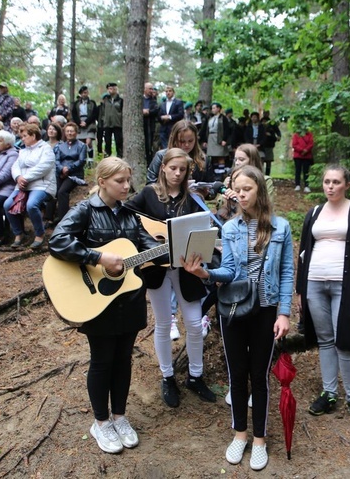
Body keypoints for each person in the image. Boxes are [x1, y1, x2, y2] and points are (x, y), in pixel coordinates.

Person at [49, 156, 167, 454]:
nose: (127, 186)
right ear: (102, 182)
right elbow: (58, 241)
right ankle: (101, 422)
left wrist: (176, 249)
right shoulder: (84, 211)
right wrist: (98, 258)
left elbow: (148, 247)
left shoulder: (130, 215)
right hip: (96, 302)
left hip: (128, 299)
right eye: (120, 181)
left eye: (129, 180)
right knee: (102, 361)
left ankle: (120, 416)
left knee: (124, 360)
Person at [181, 165, 292, 471]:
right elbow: (228, 271)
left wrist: (284, 312)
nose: (241, 195)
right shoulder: (229, 228)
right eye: (237, 189)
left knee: (259, 375)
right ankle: (239, 435)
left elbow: (286, 272)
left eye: (247, 189)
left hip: (266, 308)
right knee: (237, 373)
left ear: (260, 191)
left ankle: (259, 440)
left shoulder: (280, 227)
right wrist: (205, 273)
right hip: (233, 308)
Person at [126, 148, 216, 408]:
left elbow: (204, 228)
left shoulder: (192, 199)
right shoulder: (147, 194)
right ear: (163, 167)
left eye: (183, 170)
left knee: (194, 322)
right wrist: (146, 241)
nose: (177, 174)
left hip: (187, 268)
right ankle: (167, 376)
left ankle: (196, 376)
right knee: (164, 322)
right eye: (173, 168)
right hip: (156, 267)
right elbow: (126, 216)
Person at [296, 165, 350, 427]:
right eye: (327, 181)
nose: (330, 186)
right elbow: (303, 252)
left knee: (346, 342)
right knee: (325, 340)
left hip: (345, 286)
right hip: (314, 284)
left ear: (347, 184)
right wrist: (300, 289)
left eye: (336, 182)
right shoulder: (315, 212)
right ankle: (329, 394)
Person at [3, 123, 56, 250]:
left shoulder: (46, 148)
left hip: (42, 185)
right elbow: (15, 166)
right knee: (7, 205)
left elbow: (44, 167)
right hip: (22, 185)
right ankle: (19, 234)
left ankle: (39, 234)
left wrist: (25, 178)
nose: (22, 139)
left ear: (33, 135)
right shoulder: (23, 151)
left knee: (31, 204)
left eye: (25, 136)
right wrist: (18, 177)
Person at [44, 122, 86, 225]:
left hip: (74, 174)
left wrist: (69, 169)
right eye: (67, 131)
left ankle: (63, 219)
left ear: (76, 133)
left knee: (62, 192)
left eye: (71, 131)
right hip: (61, 173)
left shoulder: (81, 145)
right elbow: (56, 160)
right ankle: (48, 218)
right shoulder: (60, 146)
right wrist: (62, 169)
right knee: (53, 191)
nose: (69, 133)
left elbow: (81, 161)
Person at [146, 120, 213, 185]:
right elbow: (150, 184)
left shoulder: (203, 159)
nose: (187, 145)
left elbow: (211, 186)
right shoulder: (161, 156)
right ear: (174, 139)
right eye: (182, 141)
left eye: (190, 141)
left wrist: (203, 192)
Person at [199, 102, 230, 176]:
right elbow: (205, 129)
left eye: (214, 108)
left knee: (220, 156)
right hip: (211, 137)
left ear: (218, 109)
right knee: (213, 156)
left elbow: (227, 129)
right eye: (212, 108)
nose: (212, 110)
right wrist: (205, 140)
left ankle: (221, 173)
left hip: (219, 138)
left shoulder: (223, 118)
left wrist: (224, 139)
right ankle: (215, 173)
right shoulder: (210, 118)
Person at [71, 86, 98, 155]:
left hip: (90, 123)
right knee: (81, 144)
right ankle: (83, 158)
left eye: (85, 92)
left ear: (88, 93)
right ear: (80, 94)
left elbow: (95, 114)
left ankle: (91, 158)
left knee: (88, 142)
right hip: (79, 124)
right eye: (82, 93)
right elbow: (74, 114)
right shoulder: (76, 103)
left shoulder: (92, 103)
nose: (84, 94)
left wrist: (86, 122)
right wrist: (79, 122)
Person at [99, 83, 123, 158]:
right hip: (107, 124)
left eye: (113, 88)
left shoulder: (121, 100)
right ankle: (107, 158)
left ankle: (120, 157)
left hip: (117, 124)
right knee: (107, 142)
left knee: (118, 142)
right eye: (110, 88)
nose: (112, 90)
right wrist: (102, 122)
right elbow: (102, 112)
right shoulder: (105, 100)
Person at [291, 128, 314, 192]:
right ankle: (297, 185)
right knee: (297, 171)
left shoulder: (309, 134)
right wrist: (302, 150)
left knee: (306, 171)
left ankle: (306, 186)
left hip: (307, 156)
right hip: (298, 156)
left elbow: (311, 144)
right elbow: (294, 145)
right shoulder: (296, 135)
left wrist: (306, 150)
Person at [142, 82, 160, 164]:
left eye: (152, 89)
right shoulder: (140, 99)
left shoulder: (154, 100)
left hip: (151, 125)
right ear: (144, 89)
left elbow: (156, 110)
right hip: (142, 125)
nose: (151, 90)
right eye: (150, 89)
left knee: (150, 145)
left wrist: (148, 111)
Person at [260, 111, 281, 176]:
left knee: (269, 161)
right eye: (265, 113)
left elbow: (277, 131)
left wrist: (278, 136)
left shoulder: (272, 123)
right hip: (261, 145)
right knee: (261, 161)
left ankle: (267, 175)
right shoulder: (260, 122)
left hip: (270, 144)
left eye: (267, 113)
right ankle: (261, 175)